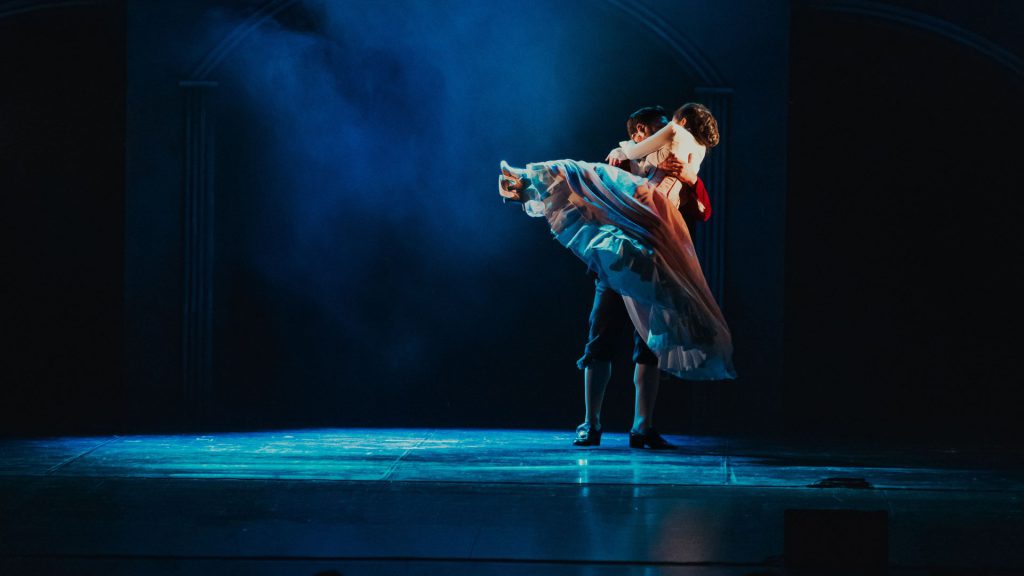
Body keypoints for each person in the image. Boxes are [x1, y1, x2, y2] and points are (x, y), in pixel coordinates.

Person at [499, 103, 736, 439]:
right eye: (653, 128)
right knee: (601, 337)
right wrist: (622, 153)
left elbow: (703, 210)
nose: (660, 132)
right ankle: (591, 422)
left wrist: (689, 177)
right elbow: (596, 194)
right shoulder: (623, 160)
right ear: (639, 132)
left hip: (652, 258)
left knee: (650, 344)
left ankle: (642, 426)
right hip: (618, 260)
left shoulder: (676, 156)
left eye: (663, 126)